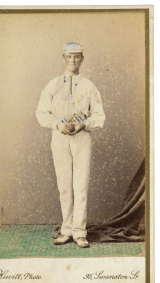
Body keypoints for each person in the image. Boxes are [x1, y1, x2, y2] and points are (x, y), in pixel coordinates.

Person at [36, 42, 106, 248]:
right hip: (59, 137)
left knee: (80, 184)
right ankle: (66, 230)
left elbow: (99, 115)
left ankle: (79, 232)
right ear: (64, 59)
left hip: (82, 138)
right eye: (69, 56)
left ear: (82, 58)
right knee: (64, 184)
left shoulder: (89, 86)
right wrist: (58, 125)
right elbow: (41, 113)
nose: (73, 60)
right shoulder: (53, 85)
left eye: (77, 56)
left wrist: (83, 124)